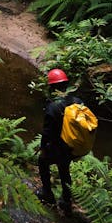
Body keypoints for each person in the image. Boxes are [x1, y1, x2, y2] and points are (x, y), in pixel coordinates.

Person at [37, 68, 84, 215]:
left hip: (58, 146)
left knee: (43, 162)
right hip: (72, 146)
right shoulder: (77, 101)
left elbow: (47, 132)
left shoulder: (53, 107)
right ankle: (66, 201)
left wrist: (43, 148)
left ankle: (47, 193)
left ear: (51, 87)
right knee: (64, 170)